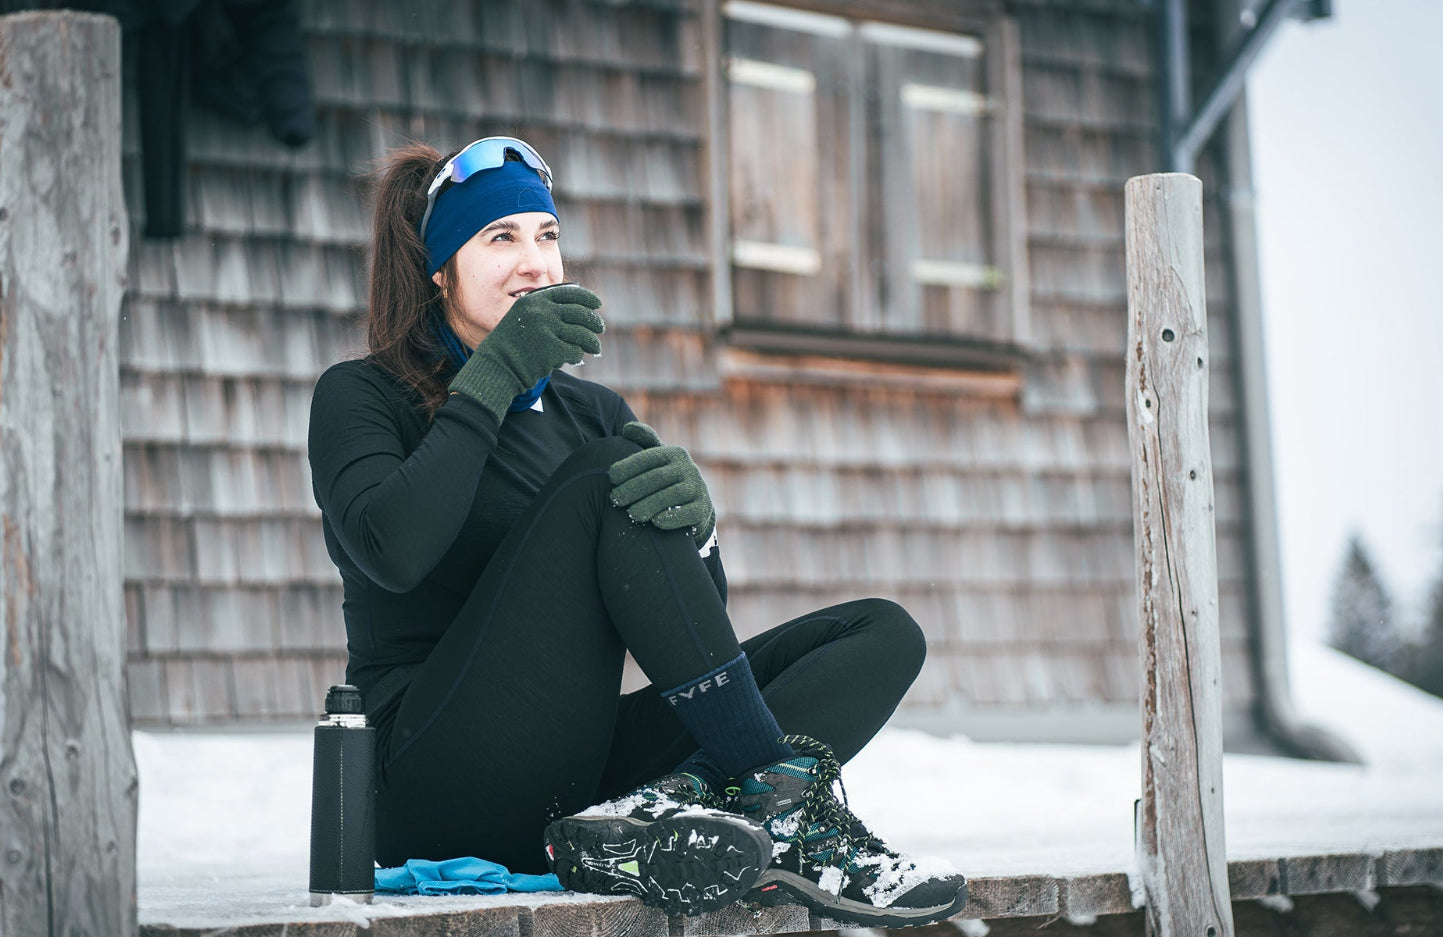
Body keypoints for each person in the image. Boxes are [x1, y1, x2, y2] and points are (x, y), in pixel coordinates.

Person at [307, 136, 966, 926]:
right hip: (430, 780)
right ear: (441, 269)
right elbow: (392, 549)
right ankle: (784, 808)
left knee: (882, 633)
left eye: (547, 235)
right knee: (604, 478)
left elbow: (687, 625)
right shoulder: (361, 396)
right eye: (501, 238)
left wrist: (699, 531)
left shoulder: (593, 413)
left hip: (575, 783)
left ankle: (675, 805)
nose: (535, 262)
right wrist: (494, 377)